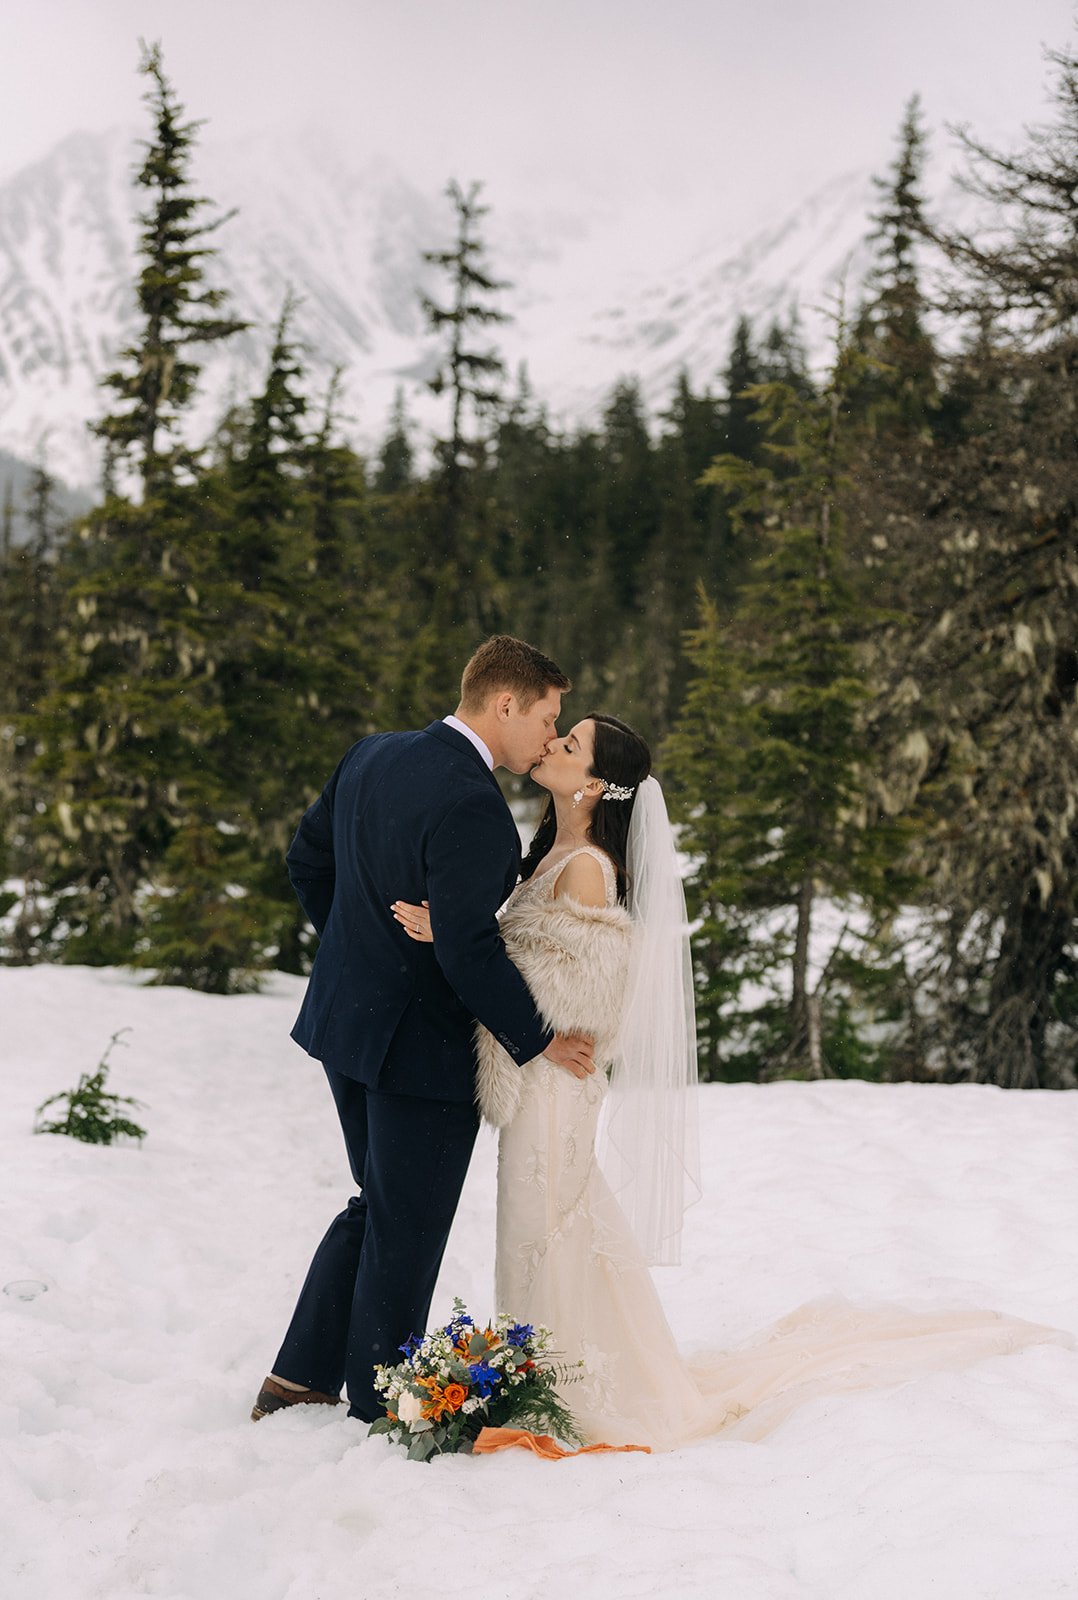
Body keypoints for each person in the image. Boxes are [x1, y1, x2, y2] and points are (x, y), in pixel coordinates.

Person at [393, 713, 1071, 1450]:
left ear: (593, 783)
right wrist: (461, 935)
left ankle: (564, 1392)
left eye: (571, 742)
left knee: (546, 1224)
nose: (553, 744)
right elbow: (520, 960)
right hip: (536, 1078)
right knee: (543, 1225)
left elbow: (575, 996)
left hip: (558, 1083)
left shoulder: (587, 865)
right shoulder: (551, 851)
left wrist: (457, 939)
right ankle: (546, 1373)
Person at [251, 636, 596, 1425]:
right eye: (546, 717)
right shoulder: (475, 804)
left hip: (347, 1023)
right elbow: (470, 950)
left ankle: (297, 1378)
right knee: (406, 1229)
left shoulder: (374, 754)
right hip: (423, 1050)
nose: (550, 735)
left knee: (376, 1205)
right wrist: (539, 1039)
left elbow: (308, 861)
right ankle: (381, 1409)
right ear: (503, 704)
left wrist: (359, 949)